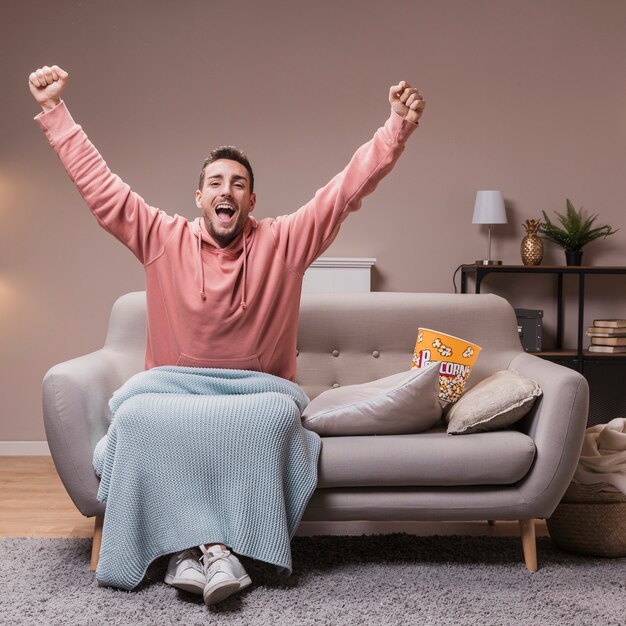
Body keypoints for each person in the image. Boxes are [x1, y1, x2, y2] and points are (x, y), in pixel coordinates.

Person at [29, 65, 425, 605]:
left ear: (252, 202)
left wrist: (395, 127)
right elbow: (102, 189)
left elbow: (344, 191)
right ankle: (210, 552)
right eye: (216, 182)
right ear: (198, 197)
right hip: (170, 387)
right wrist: (56, 113)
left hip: (257, 393)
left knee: (275, 416)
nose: (227, 191)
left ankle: (196, 553)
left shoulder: (285, 242)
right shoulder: (161, 237)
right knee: (138, 417)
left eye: (238, 184)